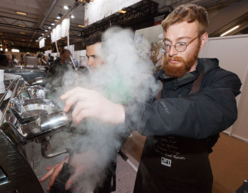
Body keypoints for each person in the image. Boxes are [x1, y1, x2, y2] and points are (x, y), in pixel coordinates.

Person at [57, 4, 242, 193]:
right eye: (168, 44)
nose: (171, 52)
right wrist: (93, 155)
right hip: (148, 177)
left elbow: (203, 111)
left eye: (181, 43)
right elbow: (124, 124)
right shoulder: (155, 81)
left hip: (189, 183)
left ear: (202, 40)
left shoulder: (220, 80)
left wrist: (122, 112)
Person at [41, 31, 134, 193]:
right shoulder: (100, 79)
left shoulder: (118, 85)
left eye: (94, 57)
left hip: (100, 156)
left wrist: (88, 155)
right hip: (85, 149)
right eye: (88, 56)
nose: (89, 62)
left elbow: (119, 130)